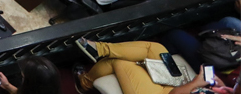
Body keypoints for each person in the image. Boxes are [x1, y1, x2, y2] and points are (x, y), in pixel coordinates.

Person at [73, 39, 224, 94]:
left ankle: (84, 84)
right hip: (183, 84)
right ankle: (100, 49)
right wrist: (220, 85)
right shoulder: (233, 91)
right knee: (154, 48)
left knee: (119, 62)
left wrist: (196, 82)